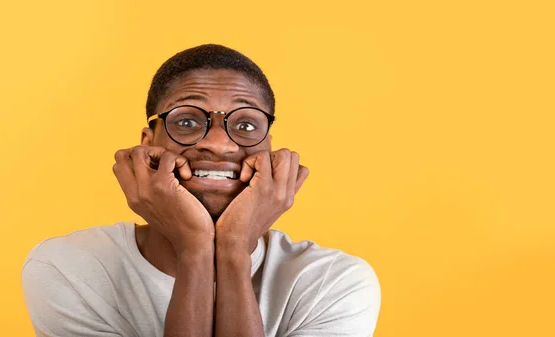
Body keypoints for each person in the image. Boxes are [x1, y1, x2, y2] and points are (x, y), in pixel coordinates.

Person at [22, 44, 381, 337]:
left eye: (244, 124)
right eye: (188, 121)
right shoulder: (69, 269)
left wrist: (232, 250)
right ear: (147, 145)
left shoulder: (335, 282)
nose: (219, 145)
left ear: (270, 151)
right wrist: (195, 248)